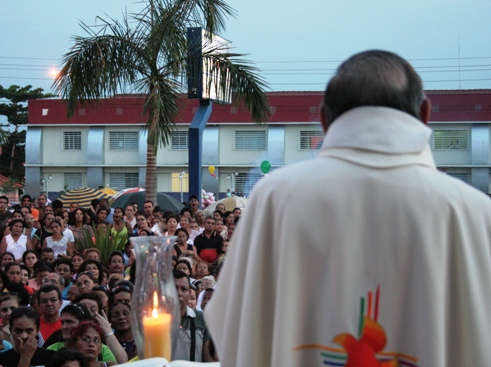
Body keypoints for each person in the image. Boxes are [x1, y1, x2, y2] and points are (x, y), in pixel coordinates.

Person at [205, 50, 491, 366]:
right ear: (425, 113)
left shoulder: (274, 197)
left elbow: (230, 327)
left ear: (325, 119)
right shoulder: (475, 212)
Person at [172, 270, 212, 362]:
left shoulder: (201, 318)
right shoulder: (156, 320)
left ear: (189, 293)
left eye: (184, 289)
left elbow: (208, 359)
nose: (179, 293)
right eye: (174, 288)